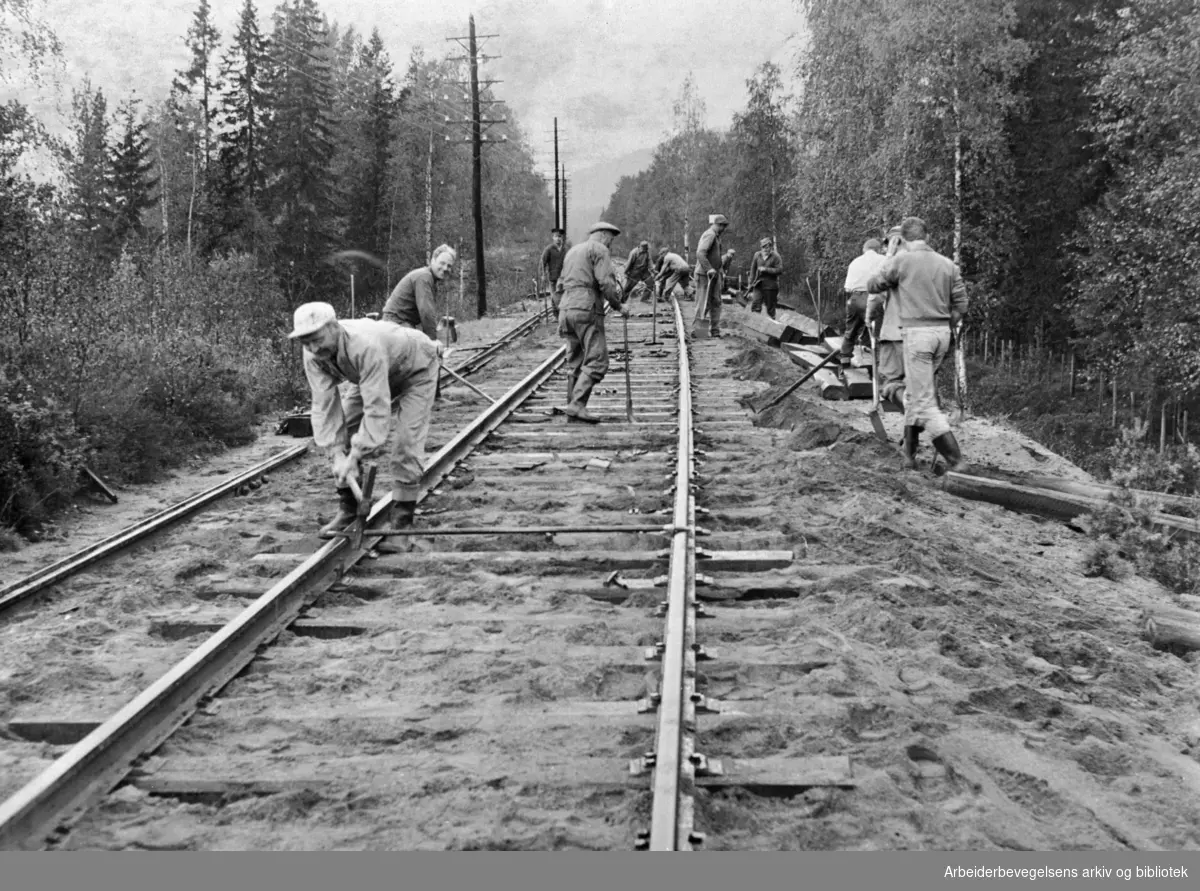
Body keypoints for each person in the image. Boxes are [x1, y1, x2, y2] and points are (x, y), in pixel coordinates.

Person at [289, 302, 442, 537]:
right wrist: (338, 452)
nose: (312, 347)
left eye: (317, 339)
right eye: (305, 342)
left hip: (416, 368)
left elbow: (376, 409)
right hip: (373, 373)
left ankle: (402, 519)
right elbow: (324, 404)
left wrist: (356, 454)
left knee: (405, 440)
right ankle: (349, 508)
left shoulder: (364, 345)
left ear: (333, 327)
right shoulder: (312, 354)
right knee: (347, 429)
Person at [866, 216, 969, 472]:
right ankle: (908, 454)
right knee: (915, 392)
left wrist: (889, 255)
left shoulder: (901, 261)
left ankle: (956, 460)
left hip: (916, 335)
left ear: (903, 239)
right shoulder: (948, 265)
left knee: (922, 401)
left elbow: (873, 284)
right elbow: (961, 306)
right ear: (928, 237)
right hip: (942, 335)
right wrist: (944, 323)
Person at [556, 221, 630, 423]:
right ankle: (577, 405)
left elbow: (559, 284)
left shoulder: (572, 251)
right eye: (611, 239)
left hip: (566, 308)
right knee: (597, 360)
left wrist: (561, 309)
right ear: (604, 236)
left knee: (575, 360)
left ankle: (572, 404)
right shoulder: (599, 250)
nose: (611, 243)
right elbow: (606, 282)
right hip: (587, 308)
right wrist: (619, 306)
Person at [866, 226, 909, 410]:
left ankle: (910, 412)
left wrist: (869, 313)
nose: (885, 249)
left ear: (895, 242)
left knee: (892, 383)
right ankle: (912, 435)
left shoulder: (895, 263)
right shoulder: (929, 263)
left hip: (896, 334)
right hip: (927, 335)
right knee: (920, 387)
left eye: (887, 244)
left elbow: (875, 287)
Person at [381, 245, 456, 340]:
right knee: (423, 350)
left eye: (449, 266)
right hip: (395, 324)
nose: (445, 268)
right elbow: (426, 314)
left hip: (400, 324)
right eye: (442, 263)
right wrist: (432, 342)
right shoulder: (424, 277)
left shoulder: (429, 279)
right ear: (433, 260)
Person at [842, 237, 885, 369]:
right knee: (877, 333)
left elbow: (847, 287)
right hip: (874, 298)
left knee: (851, 330)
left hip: (855, 298)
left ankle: (844, 361)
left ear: (864, 249)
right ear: (878, 249)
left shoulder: (855, 262)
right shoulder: (883, 260)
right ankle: (875, 367)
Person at [694, 214, 729, 337]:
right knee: (703, 303)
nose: (724, 229)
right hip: (705, 275)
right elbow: (700, 253)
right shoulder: (710, 235)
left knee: (716, 302)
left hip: (714, 274)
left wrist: (719, 271)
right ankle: (699, 332)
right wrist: (708, 269)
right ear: (718, 225)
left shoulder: (717, 236)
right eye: (723, 226)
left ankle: (715, 330)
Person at [748, 236, 783, 319]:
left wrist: (766, 269)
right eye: (764, 247)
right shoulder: (757, 255)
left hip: (771, 285)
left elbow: (780, 270)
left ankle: (771, 326)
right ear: (761, 247)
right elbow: (753, 269)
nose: (766, 249)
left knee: (770, 308)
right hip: (758, 284)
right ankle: (755, 324)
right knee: (755, 304)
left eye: (768, 247)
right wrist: (750, 283)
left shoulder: (776, 256)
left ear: (771, 247)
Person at [541, 227, 567, 298]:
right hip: (553, 277)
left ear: (562, 238)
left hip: (563, 278)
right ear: (553, 237)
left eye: (560, 236)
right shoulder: (549, 249)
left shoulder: (565, 249)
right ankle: (554, 307)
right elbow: (542, 262)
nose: (558, 238)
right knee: (554, 296)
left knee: (562, 297)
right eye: (556, 236)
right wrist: (543, 275)